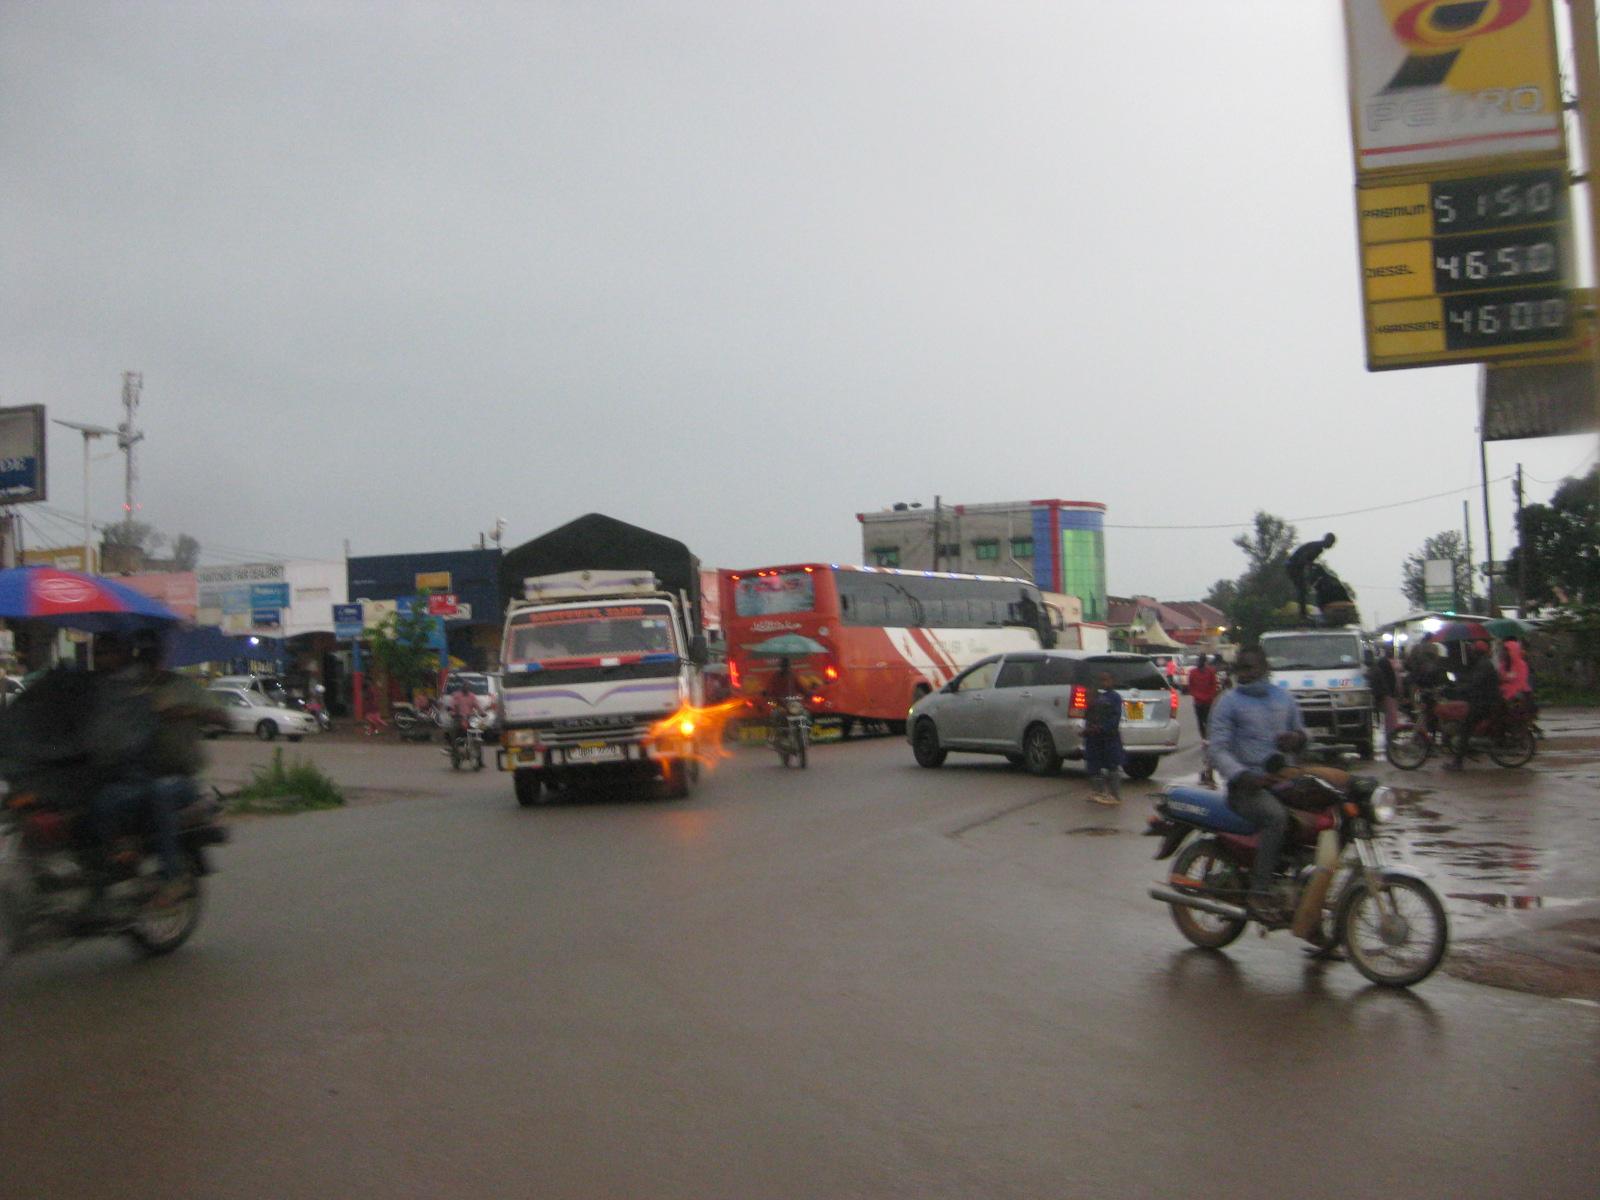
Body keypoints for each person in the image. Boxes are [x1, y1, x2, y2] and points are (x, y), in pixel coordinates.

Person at [1207, 645, 1308, 922]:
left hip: (1283, 780)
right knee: (1277, 818)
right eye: (1240, 668)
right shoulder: (1228, 702)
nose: (1245, 674)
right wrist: (1242, 775)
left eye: (1250, 668)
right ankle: (1259, 891)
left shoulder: (1284, 698)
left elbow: (1303, 733)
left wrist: (1297, 739)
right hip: (1246, 789)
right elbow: (1217, 750)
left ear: (1265, 668)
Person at [1444, 638, 1505, 772]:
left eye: (1473, 651)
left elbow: (1475, 683)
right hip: (1483, 700)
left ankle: (1458, 763)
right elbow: (1471, 679)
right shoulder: (1482, 664)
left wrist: (1458, 690)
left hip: (1485, 702)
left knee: (1465, 728)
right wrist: (1458, 684)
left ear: (1477, 652)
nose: (1471, 653)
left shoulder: (1484, 665)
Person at [1081, 670, 1125, 806]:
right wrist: (1088, 729)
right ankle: (1098, 791)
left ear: (1112, 681)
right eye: (1101, 680)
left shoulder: (1114, 697)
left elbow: (1115, 718)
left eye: (1106, 680)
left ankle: (1114, 795)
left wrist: (1102, 728)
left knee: (1112, 765)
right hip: (1093, 737)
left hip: (1109, 737)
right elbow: (1089, 715)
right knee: (1093, 764)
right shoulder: (1096, 696)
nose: (1103, 683)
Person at [1187, 654, 1220, 785]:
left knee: (1201, 722)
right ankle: (1206, 738)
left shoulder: (1195, 672)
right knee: (1206, 721)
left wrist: (1197, 695)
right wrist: (1210, 696)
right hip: (1206, 701)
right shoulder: (1209, 672)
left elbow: (1191, 686)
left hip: (1200, 701)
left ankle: (1204, 738)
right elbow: (1214, 685)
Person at [1368, 647, 1400, 741]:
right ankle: (1391, 733)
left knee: (1388, 714)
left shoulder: (1379, 664)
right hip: (1388, 693)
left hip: (1384, 692)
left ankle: (1390, 733)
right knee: (1390, 714)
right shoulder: (1385, 663)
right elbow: (1392, 679)